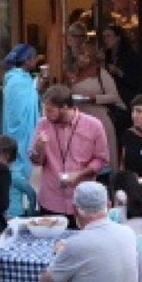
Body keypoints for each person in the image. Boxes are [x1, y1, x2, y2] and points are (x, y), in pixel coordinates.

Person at [27, 85, 109, 220]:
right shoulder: (43, 124)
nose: (46, 115)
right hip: (51, 199)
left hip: (81, 200)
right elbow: (36, 161)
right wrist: (39, 147)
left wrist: (78, 175)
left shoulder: (94, 125)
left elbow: (101, 159)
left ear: (65, 107)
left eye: (50, 110)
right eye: (44, 110)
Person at [0, 44, 41, 217]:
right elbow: (19, 108)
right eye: (33, 58)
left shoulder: (21, 78)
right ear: (26, 60)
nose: (36, 61)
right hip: (21, 128)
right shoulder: (17, 80)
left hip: (23, 126)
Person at [68, 40, 122, 168]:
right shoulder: (72, 73)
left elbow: (114, 96)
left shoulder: (100, 73)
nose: (82, 59)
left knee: (102, 157)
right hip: (78, 120)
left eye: (87, 56)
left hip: (100, 119)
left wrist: (94, 98)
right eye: (81, 55)